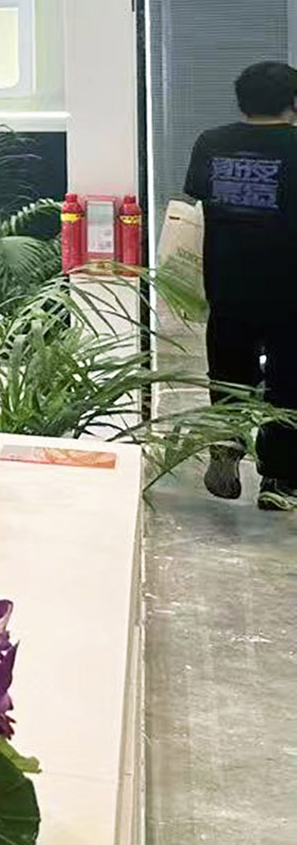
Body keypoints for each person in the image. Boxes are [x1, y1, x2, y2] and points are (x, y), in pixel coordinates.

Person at [181, 59, 297, 510]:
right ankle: (280, 481)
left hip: (227, 281)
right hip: (288, 289)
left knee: (228, 369)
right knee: (288, 382)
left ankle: (227, 441)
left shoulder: (211, 142)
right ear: (292, 101)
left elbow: (197, 200)